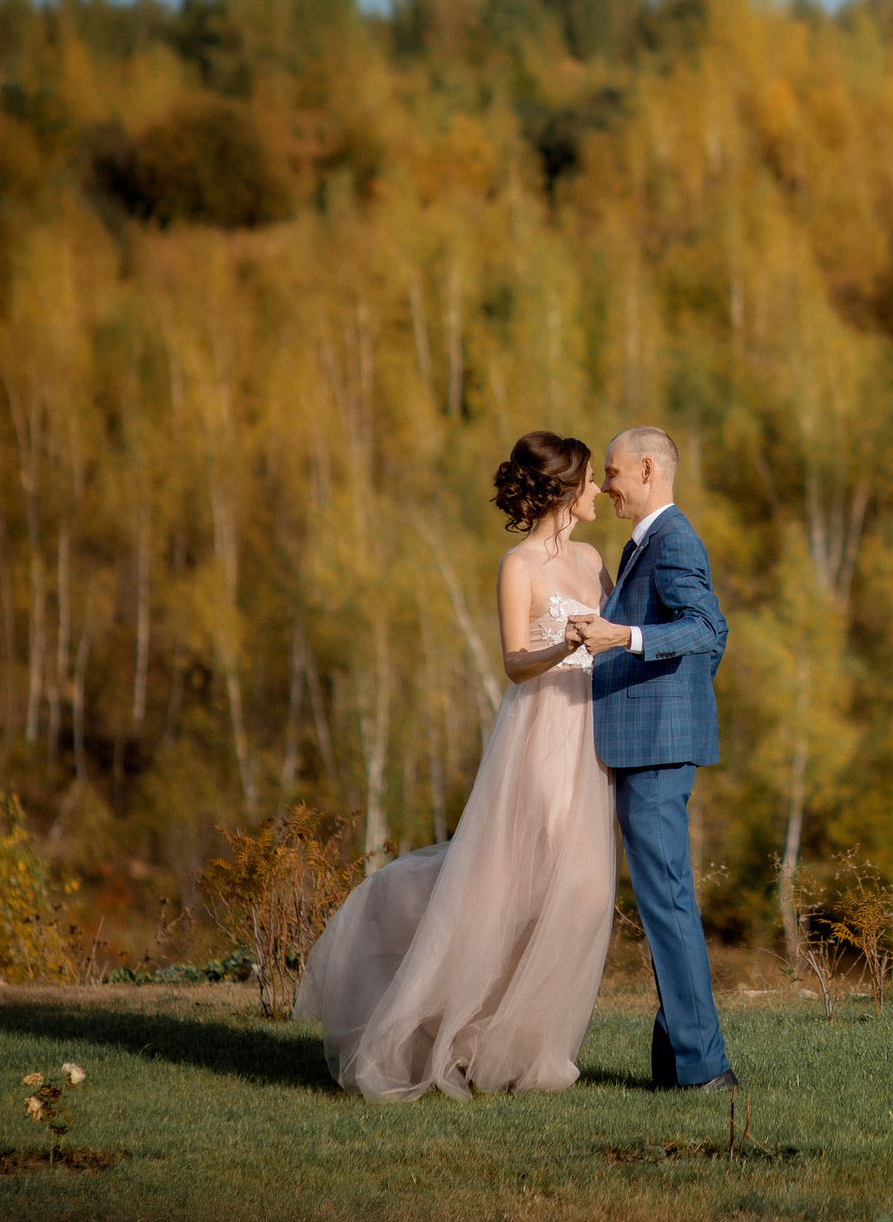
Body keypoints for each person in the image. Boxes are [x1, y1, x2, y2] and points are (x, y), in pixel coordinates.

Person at [295, 432, 617, 1099]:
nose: (597, 492)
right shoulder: (518, 565)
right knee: (531, 883)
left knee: (582, 890)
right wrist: (564, 644)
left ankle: (517, 1040)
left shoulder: (594, 558)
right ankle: (441, 1016)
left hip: (595, 733)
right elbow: (513, 661)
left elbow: (616, 636)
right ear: (561, 488)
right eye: (587, 481)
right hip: (543, 733)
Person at [564, 424, 737, 1090]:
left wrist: (625, 637)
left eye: (611, 473)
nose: (605, 485)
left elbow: (708, 628)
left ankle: (702, 1068)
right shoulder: (652, 542)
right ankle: (678, 1061)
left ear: (645, 471)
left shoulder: (673, 538)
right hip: (651, 744)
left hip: (657, 753)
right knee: (664, 899)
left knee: (666, 898)